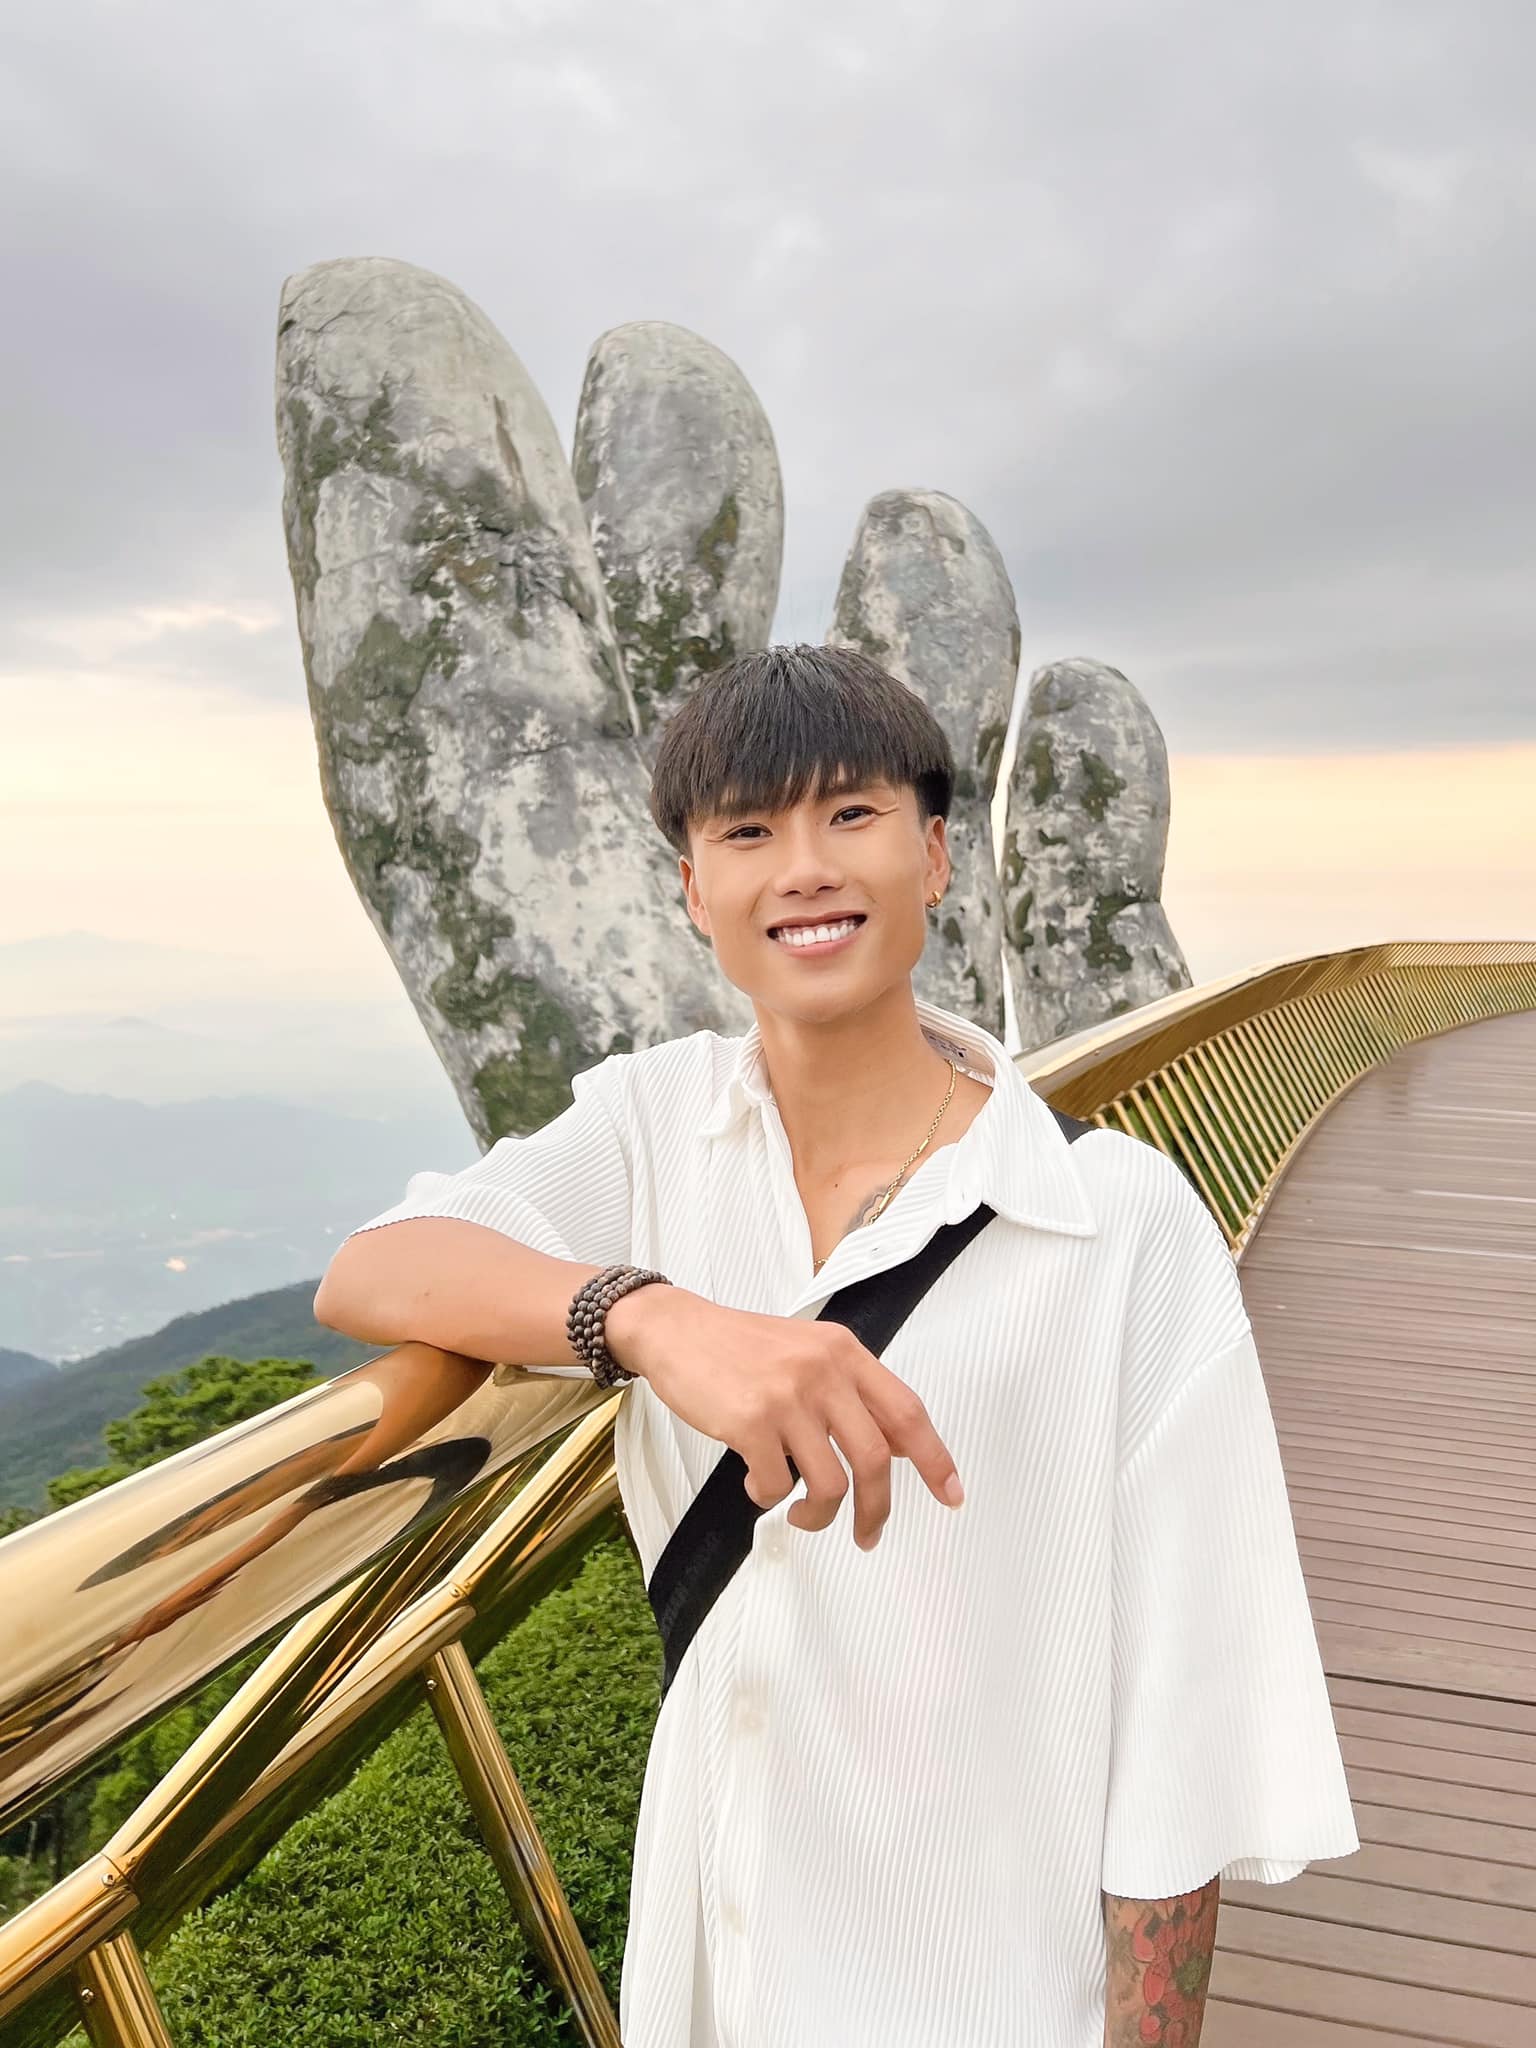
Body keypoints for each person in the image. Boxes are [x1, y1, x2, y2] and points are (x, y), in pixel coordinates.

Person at [316, 644, 1358, 2048]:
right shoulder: (654, 1127)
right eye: (748, 832)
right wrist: (653, 1319)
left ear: (934, 857)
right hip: (721, 1973)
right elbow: (376, 1267)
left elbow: (1185, 1701)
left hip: (987, 1990)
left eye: (851, 815)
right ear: (694, 891)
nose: (804, 870)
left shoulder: (1117, 1220)